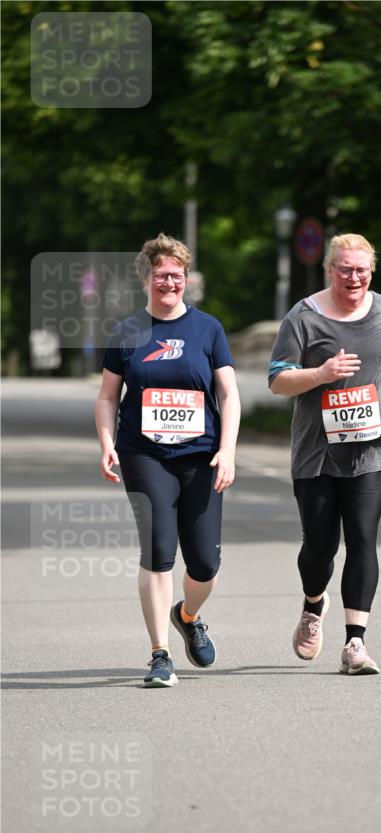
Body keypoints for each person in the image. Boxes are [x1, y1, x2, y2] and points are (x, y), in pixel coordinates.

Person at [268, 233, 381, 675]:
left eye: (362, 270)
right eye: (345, 269)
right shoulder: (304, 317)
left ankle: (356, 642)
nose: (354, 277)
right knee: (319, 547)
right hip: (317, 452)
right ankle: (314, 605)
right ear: (330, 269)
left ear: (372, 271)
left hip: (373, 448)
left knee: (362, 538)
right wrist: (321, 373)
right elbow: (277, 380)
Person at [95, 233, 241, 687]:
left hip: (201, 455)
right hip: (145, 454)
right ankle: (159, 654)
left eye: (176, 275)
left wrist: (228, 449)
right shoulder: (126, 332)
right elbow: (106, 397)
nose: (169, 282)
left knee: (204, 564)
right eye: (161, 275)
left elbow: (229, 393)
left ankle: (188, 614)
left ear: (187, 279)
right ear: (146, 279)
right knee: (158, 553)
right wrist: (106, 442)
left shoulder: (208, 329)